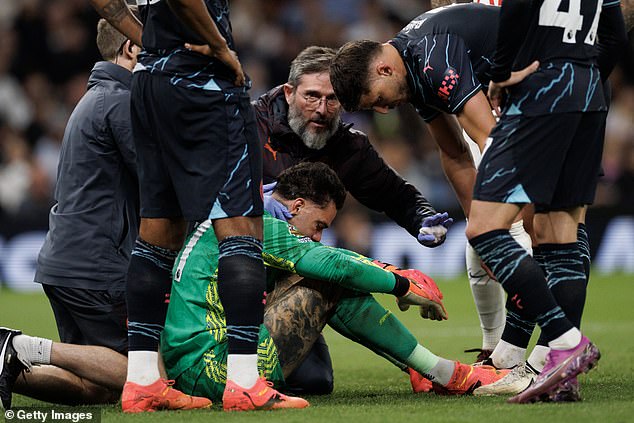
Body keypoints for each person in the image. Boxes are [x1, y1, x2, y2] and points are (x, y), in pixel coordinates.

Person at [161, 162, 507, 407]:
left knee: (323, 275)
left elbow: (322, 256)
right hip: (214, 369)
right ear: (297, 205)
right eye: (319, 224)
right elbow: (328, 263)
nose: (318, 234)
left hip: (197, 361)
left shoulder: (245, 206)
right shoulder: (256, 222)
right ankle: (443, 373)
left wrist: (387, 271)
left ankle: (427, 370)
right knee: (328, 280)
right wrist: (399, 285)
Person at [108, 0, 296, 413]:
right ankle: (245, 381)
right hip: (202, 82)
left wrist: (152, 42)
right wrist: (220, 46)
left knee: (159, 229)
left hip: (149, 82)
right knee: (242, 228)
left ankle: (142, 380)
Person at [329, 3, 535, 363]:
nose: (382, 110)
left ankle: (534, 351)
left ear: (383, 68)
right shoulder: (412, 72)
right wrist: (479, 223)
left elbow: (491, 140)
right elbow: (455, 153)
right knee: (480, 240)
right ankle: (494, 351)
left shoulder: (431, 59)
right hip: (521, 102)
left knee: (533, 234)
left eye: (377, 99)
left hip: (551, 86)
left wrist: (501, 228)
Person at [253, 45, 453, 393]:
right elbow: (199, 182)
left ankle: (425, 368)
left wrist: (421, 219)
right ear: (288, 92)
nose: (321, 109)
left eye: (332, 100)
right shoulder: (245, 125)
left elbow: (395, 194)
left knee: (315, 381)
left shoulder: (348, 147)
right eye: (311, 96)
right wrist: (250, 200)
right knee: (334, 273)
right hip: (236, 277)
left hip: (292, 276)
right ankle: (429, 367)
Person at [465, 0, 627, 404]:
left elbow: (517, 7)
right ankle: (561, 372)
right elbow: (617, 34)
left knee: (484, 228)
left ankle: (566, 342)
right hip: (590, 89)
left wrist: (500, 75)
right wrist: (584, 79)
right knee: (557, 231)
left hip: (543, 90)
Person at [0, 15, 140, 410]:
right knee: (145, 374)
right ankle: (21, 345)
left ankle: (8, 360)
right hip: (95, 266)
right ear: (131, 48)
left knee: (95, 386)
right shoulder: (120, 101)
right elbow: (158, 184)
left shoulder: (95, 99)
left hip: (68, 261)